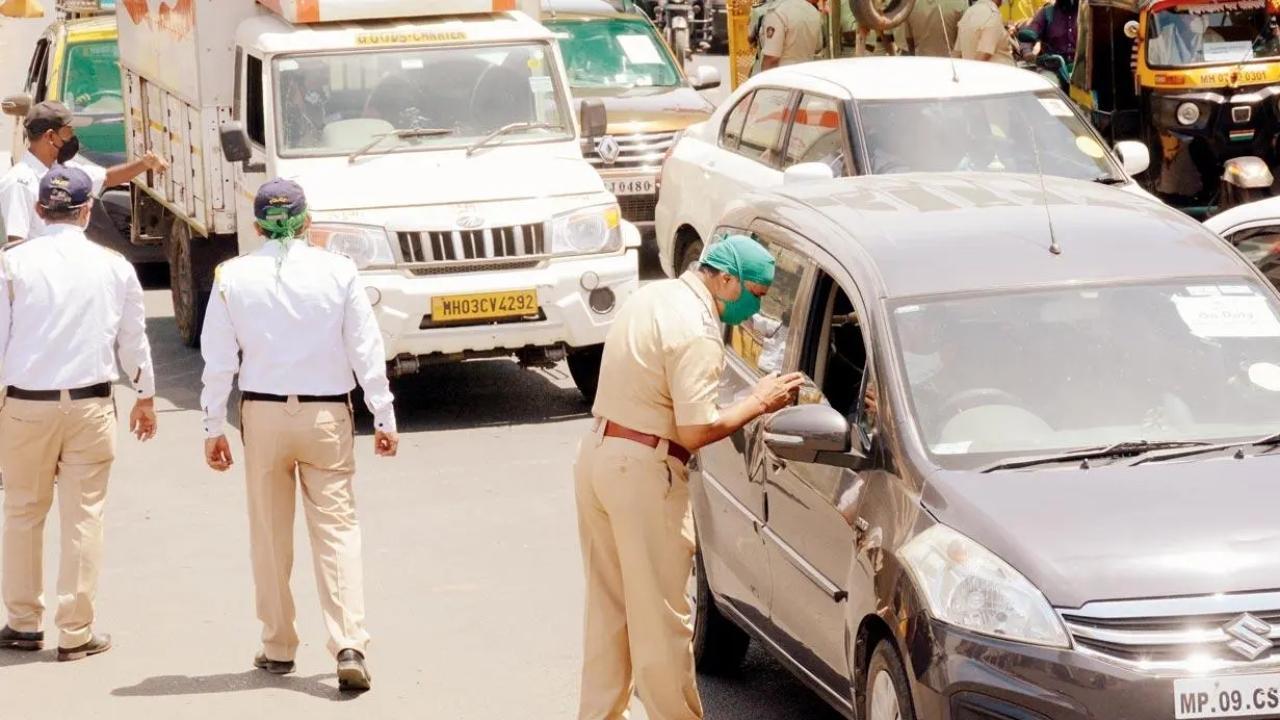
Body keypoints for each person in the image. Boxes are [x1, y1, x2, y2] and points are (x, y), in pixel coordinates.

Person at [575, 235, 806, 720]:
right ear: (725, 280)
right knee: (661, 620)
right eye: (755, 294)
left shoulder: (653, 295)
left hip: (598, 456)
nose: (753, 308)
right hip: (644, 471)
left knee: (609, 614)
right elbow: (697, 428)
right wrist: (759, 402)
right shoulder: (698, 331)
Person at [199, 178, 398, 693]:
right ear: (308, 221)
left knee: (269, 533)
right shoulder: (339, 271)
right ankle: (349, 641)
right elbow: (365, 347)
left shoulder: (232, 277)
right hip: (326, 415)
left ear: (257, 224)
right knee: (336, 531)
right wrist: (383, 413)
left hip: (262, 417)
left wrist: (210, 425)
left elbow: (218, 360)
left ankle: (278, 644)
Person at [0, 165, 157, 661]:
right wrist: (146, 396)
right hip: (90, 404)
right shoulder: (114, 266)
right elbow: (133, 338)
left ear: (41, 210)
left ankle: (24, 622)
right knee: (84, 516)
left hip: (26, 405)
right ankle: (75, 631)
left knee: (23, 511)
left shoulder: (12, 264)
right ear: (87, 210)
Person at [0, 101, 166, 244]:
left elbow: (107, 177)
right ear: (50, 136)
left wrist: (144, 164)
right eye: (68, 131)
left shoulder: (67, 169)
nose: (73, 136)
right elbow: (16, 242)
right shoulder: (19, 183)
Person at [757, 0, 824, 72]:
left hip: (783, 77)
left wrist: (766, 80)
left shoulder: (777, 12)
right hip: (807, 75)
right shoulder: (813, 11)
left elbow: (771, 58)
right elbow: (818, 47)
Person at [956, 0, 1017, 65]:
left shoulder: (969, 12)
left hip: (972, 70)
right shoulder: (993, 14)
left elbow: (957, 53)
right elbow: (984, 54)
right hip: (994, 72)